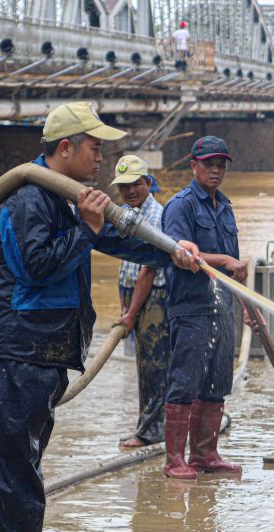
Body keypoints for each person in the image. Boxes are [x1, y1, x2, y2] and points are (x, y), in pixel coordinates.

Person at [0, 102, 198, 532]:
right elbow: (37, 265)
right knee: (8, 460)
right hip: (17, 346)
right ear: (66, 148)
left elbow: (117, 240)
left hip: (43, 349)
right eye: (95, 147)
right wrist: (88, 228)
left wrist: (173, 252)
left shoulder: (66, 199)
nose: (102, 157)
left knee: (27, 456)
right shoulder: (30, 197)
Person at [161, 136, 247, 480]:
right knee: (185, 382)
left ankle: (205, 454)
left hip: (222, 306)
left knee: (217, 382)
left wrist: (247, 309)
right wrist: (224, 259)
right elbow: (176, 253)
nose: (216, 170)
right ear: (193, 165)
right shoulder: (180, 206)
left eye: (221, 164)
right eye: (209, 164)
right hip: (192, 306)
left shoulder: (224, 206)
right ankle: (174, 461)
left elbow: (236, 266)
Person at [112, 155, 170, 449]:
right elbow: (125, 268)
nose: (130, 191)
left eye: (136, 184)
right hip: (135, 299)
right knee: (143, 364)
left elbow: (147, 269)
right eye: (124, 186)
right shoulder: (124, 213)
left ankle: (150, 432)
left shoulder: (155, 217)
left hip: (153, 299)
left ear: (148, 183)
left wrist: (132, 312)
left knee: (153, 366)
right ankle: (148, 426)